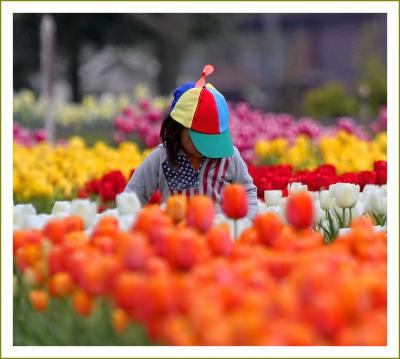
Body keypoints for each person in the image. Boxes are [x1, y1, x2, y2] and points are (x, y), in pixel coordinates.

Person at [124, 65, 257, 219]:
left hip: (219, 234)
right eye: (203, 140)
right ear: (179, 128)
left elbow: (248, 191)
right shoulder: (161, 158)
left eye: (214, 139)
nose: (209, 149)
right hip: (177, 236)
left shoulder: (230, 157)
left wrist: (247, 222)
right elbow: (132, 196)